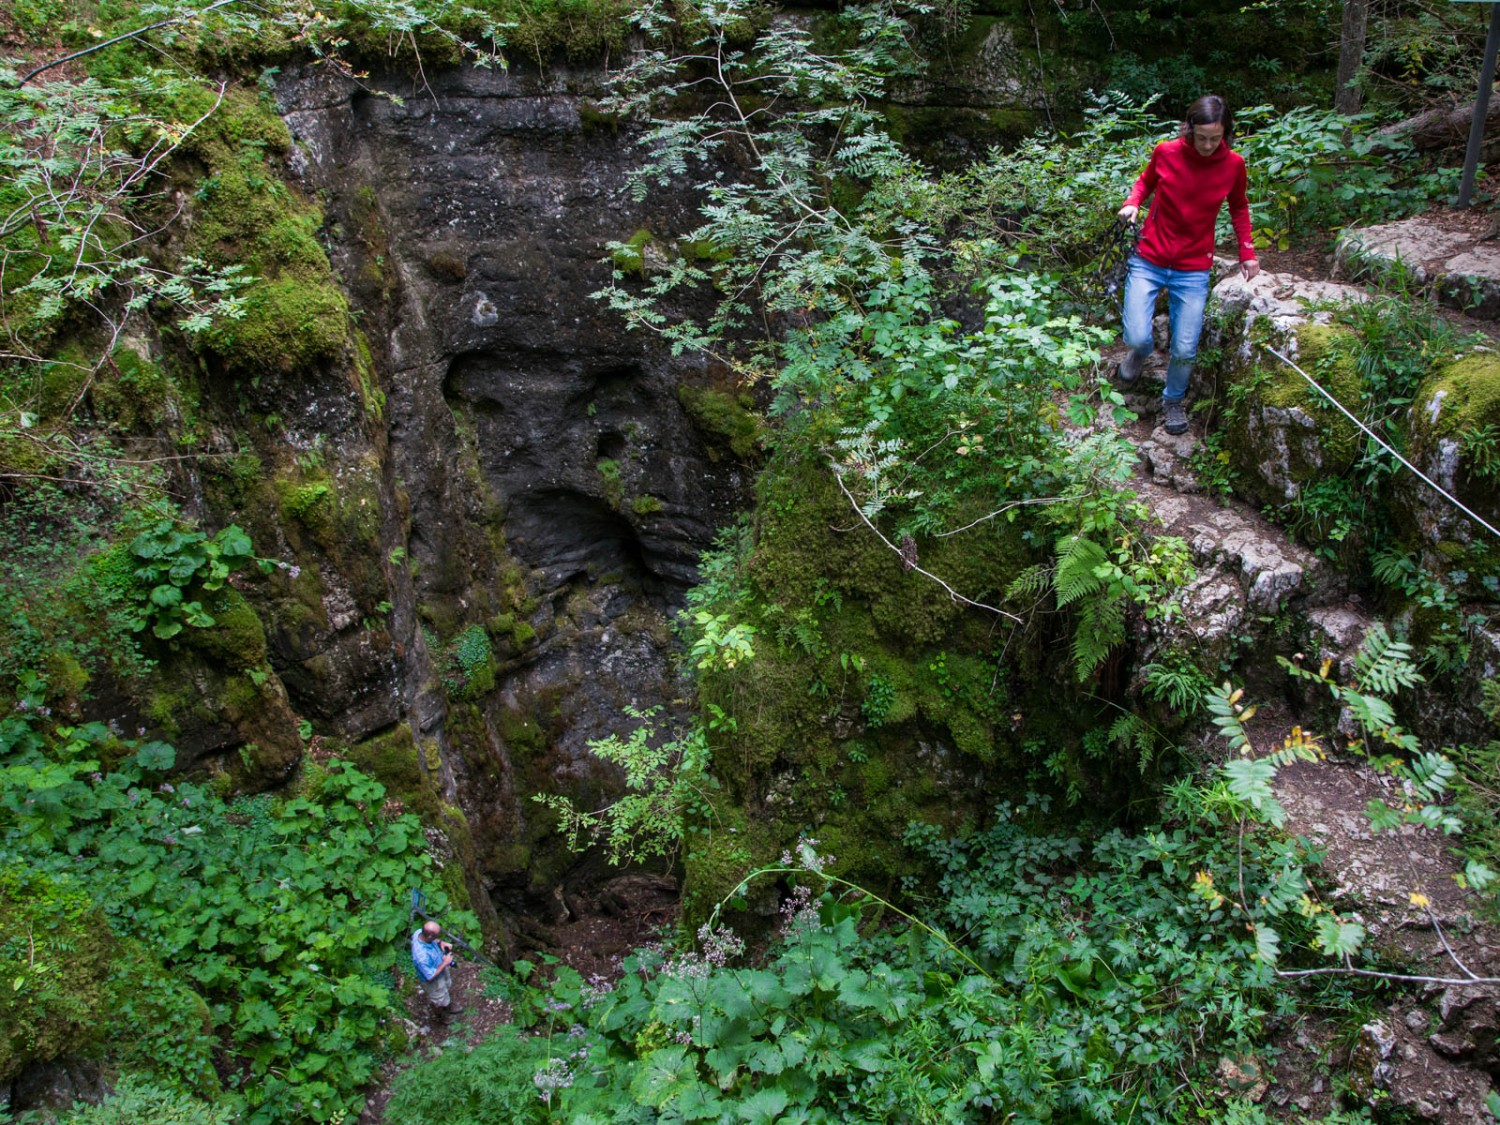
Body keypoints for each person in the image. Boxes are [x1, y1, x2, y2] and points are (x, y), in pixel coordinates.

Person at [1115, 94, 1260, 435]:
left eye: (1216, 138)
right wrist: (1133, 202)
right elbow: (1146, 181)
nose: (1208, 145)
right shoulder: (1166, 151)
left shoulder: (1233, 165)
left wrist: (1247, 250)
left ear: (1226, 134)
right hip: (1149, 256)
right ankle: (1139, 353)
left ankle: (1173, 400)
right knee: (1137, 335)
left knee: (1184, 346)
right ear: (1189, 129)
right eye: (1202, 137)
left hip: (1194, 266)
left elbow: (1238, 206)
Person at [411, 920, 464, 1018]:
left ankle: (446, 1004)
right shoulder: (422, 957)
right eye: (436, 936)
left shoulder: (419, 932)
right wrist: (445, 963)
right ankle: (442, 1014)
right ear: (430, 936)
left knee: (445, 986)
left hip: (438, 967)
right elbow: (430, 977)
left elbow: (431, 939)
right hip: (433, 979)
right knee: (439, 998)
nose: (438, 937)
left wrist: (440, 942)